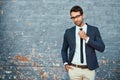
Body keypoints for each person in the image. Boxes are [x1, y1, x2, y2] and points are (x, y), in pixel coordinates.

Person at [61, 5, 105, 80]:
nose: (75, 19)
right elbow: (63, 50)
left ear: (83, 15)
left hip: (89, 70)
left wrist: (86, 38)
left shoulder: (94, 30)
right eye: (73, 17)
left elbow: (101, 48)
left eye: (77, 16)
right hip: (74, 69)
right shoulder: (68, 32)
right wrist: (65, 63)